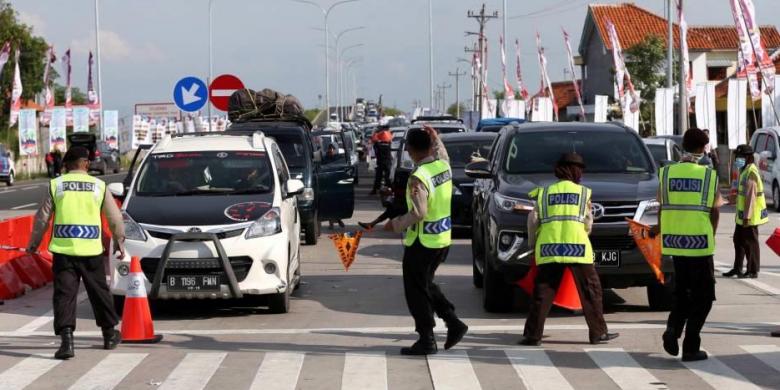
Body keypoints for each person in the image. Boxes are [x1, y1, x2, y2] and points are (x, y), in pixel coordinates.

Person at [26, 146, 126, 360]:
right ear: (87, 163)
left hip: (64, 252)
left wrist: (33, 244)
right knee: (99, 293)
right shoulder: (99, 185)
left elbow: (42, 219)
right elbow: (115, 218)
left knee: (64, 295)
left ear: (66, 165)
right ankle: (109, 335)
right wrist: (119, 242)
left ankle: (67, 343)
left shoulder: (56, 185)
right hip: (91, 251)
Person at [519, 153, 618, 346]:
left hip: (549, 249)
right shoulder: (583, 193)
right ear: (575, 171)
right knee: (591, 290)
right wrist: (583, 234)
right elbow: (588, 221)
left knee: (543, 293)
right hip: (577, 248)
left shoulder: (544, 193)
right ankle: (598, 333)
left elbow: (532, 221)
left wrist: (532, 245)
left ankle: (533, 335)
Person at [384, 126, 466, 355]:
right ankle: (453, 322)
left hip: (422, 243)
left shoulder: (419, 177)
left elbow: (419, 212)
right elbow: (443, 155)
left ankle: (427, 338)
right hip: (442, 239)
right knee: (426, 284)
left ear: (410, 150)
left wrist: (395, 224)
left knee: (416, 290)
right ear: (430, 146)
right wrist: (436, 138)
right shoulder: (443, 167)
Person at [656, 128, 723, 362]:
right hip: (699, 244)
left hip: (674, 244)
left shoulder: (666, 173)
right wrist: (711, 235)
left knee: (682, 293)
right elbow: (714, 211)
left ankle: (673, 329)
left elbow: (661, 208)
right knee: (704, 297)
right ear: (701, 149)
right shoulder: (708, 176)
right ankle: (691, 346)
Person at [723, 145, 767, 279]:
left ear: (748, 157)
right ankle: (737, 268)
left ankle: (752, 270)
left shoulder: (751, 172)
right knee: (739, 240)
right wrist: (733, 199)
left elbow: (751, 197)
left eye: (740, 157)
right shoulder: (744, 170)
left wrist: (747, 217)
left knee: (750, 243)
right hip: (742, 216)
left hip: (750, 216)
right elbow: (743, 193)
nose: (738, 159)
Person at [370, 125, 393, 195]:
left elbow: (373, 140)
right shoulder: (389, 144)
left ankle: (375, 190)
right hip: (388, 162)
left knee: (378, 177)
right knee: (388, 177)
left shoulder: (377, 145)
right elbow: (390, 139)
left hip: (380, 162)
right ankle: (391, 190)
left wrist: (377, 133)